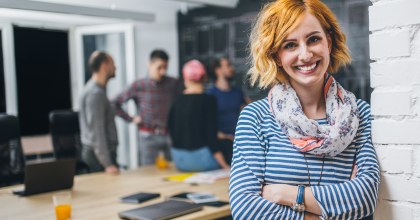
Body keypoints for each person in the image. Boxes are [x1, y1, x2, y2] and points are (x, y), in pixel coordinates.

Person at [229, 1, 379, 220]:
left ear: (328, 41)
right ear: (277, 55)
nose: (305, 54)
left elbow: (365, 198)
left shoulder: (360, 114)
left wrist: (285, 194)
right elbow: (245, 209)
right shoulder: (256, 117)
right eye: (290, 45)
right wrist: (332, 210)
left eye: (313, 39)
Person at [111, 50, 183, 166]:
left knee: (174, 170)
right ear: (149, 64)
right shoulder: (138, 84)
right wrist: (131, 119)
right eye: (159, 67)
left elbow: (184, 100)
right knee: (150, 173)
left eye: (165, 67)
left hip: (170, 135)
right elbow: (114, 103)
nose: (162, 71)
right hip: (148, 137)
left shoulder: (173, 83)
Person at [168, 60, 230, 172]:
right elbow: (211, 137)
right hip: (200, 162)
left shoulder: (176, 100)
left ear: (186, 79)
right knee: (228, 144)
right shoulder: (209, 100)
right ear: (204, 78)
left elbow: (170, 129)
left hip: (178, 160)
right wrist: (225, 166)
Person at [79, 51, 119, 175]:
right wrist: (107, 163)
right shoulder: (95, 93)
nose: (115, 67)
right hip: (99, 157)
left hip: (99, 154)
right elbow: (97, 132)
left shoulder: (96, 90)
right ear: (104, 66)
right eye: (113, 64)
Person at [207, 58, 251, 164]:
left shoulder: (238, 92)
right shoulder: (210, 95)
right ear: (218, 71)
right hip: (221, 141)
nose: (232, 68)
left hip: (239, 139)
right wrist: (225, 136)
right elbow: (207, 125)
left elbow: (251, 110)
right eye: (228, 65)